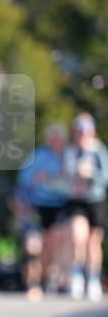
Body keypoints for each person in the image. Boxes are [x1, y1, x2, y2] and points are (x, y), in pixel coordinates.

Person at [16, 123, 70, 298]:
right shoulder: (39, 156)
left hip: (61, 206)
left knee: (53, 246)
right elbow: (23, 180)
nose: (56, 142)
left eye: (59, 139)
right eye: (52, 139)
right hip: (38, 206)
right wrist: (37, 178)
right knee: (34, 246)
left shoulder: (69, 156)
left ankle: (51, 281)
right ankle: (33, 284)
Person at [63, 113, 108, 301]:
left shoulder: (99, 151)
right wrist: (74, 175)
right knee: (77, 235)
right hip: (76, 200)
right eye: (79, 131)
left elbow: (105, 177)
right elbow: (63, 176)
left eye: (86, 131)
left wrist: (90, 174)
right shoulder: (70, 152)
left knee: (93, 242)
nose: (82, 134)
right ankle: (76, 276)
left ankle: (93, 278)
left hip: (95, 199)